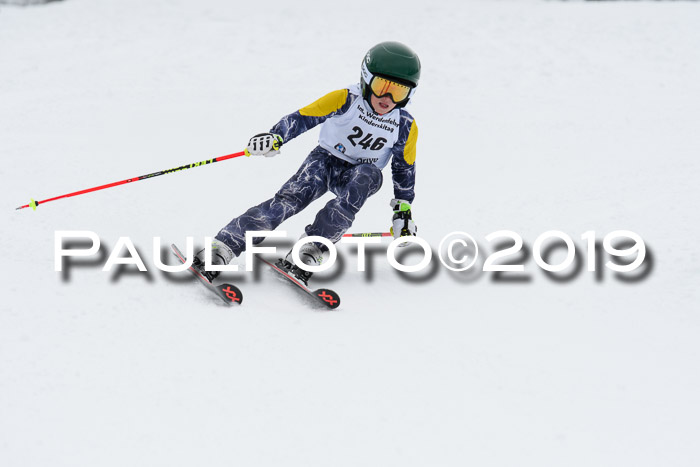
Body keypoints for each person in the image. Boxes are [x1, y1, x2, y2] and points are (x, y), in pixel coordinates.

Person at [194, 41, 421, 284]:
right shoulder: (347, 98)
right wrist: (276, 136)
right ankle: (223, 247)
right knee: (288, 201)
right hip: (325, 161)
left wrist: (403, 211)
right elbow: (304, 117)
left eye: (399, 91)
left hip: (360, 177)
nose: (387, 98)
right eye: (381, 86)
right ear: (366, 78)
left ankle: (310, 250)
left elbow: (404, 168)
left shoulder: (405, 125)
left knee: (363, 181)